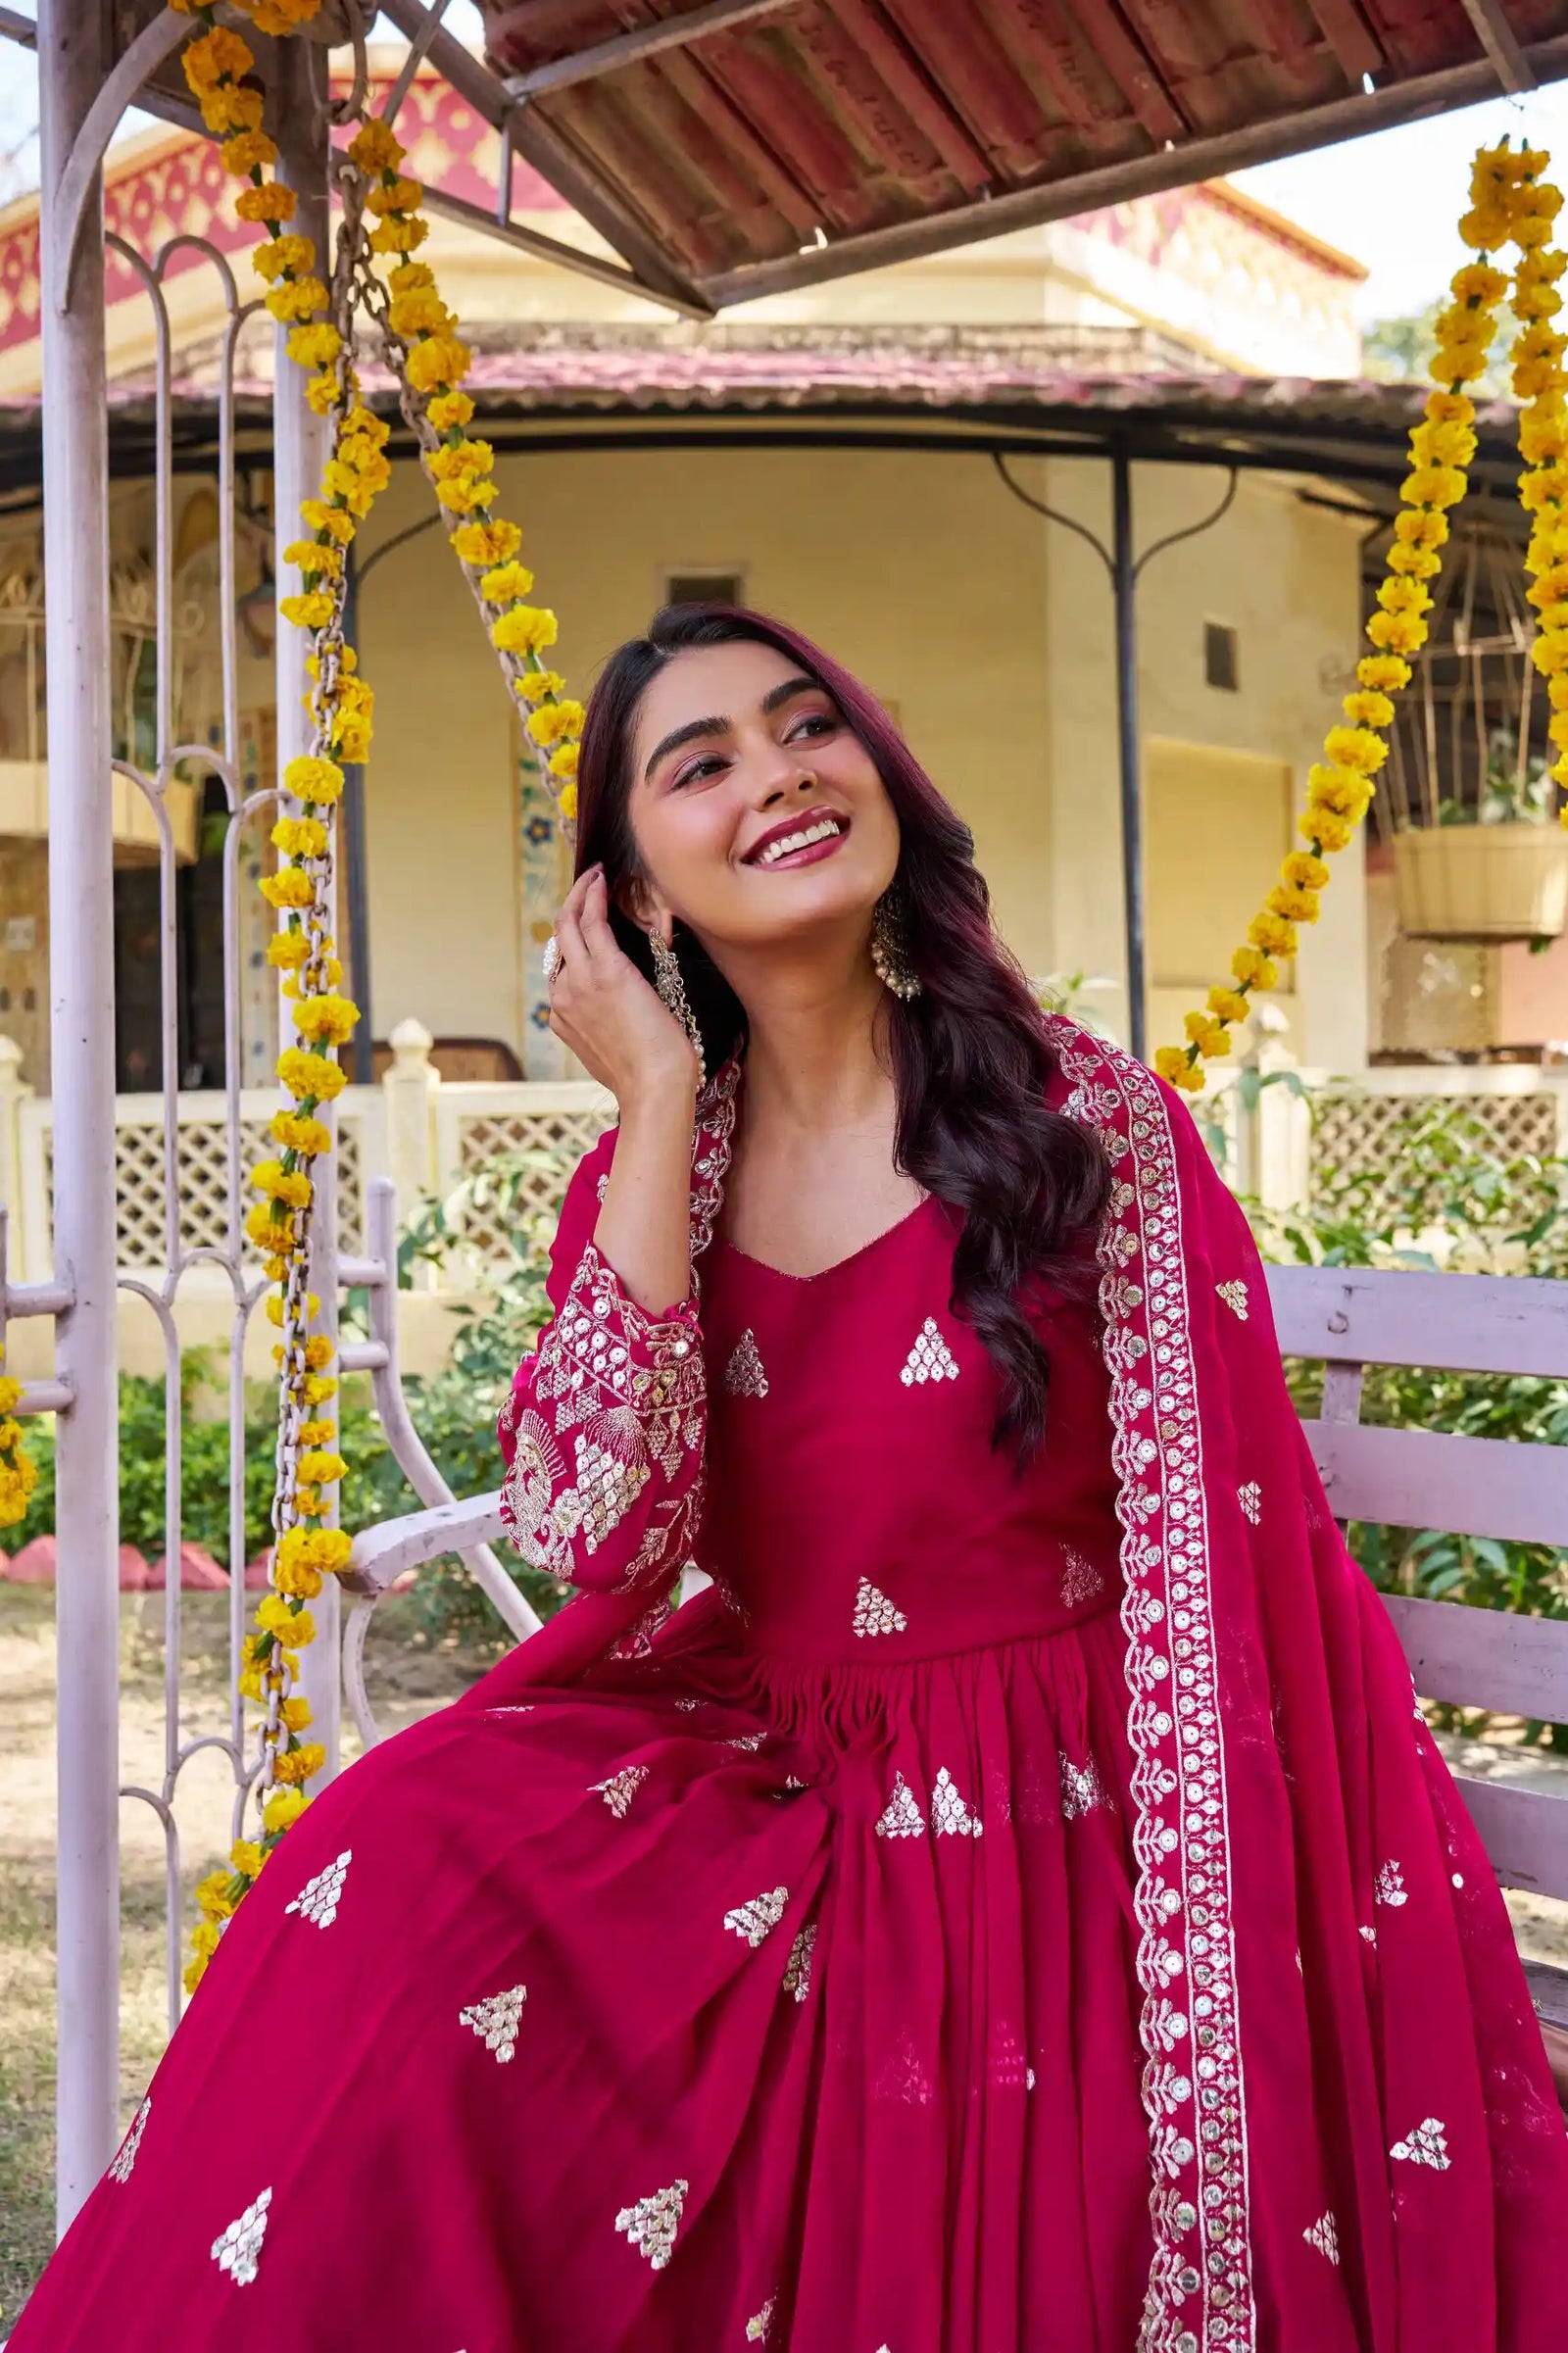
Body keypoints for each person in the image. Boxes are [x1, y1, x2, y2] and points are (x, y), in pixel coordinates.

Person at [13, 605, 1568, 2353]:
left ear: (879, 771)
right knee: (387, 1877)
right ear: (635, 896)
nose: (778, 774)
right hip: (769, 1781)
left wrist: (1208, 1998)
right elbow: (600, 1537)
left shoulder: (1088, 1135)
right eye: (703, 764)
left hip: (1050, 1809)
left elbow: (1219, 1582)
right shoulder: (654, 1167)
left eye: (804, 724)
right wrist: (662, 1098)